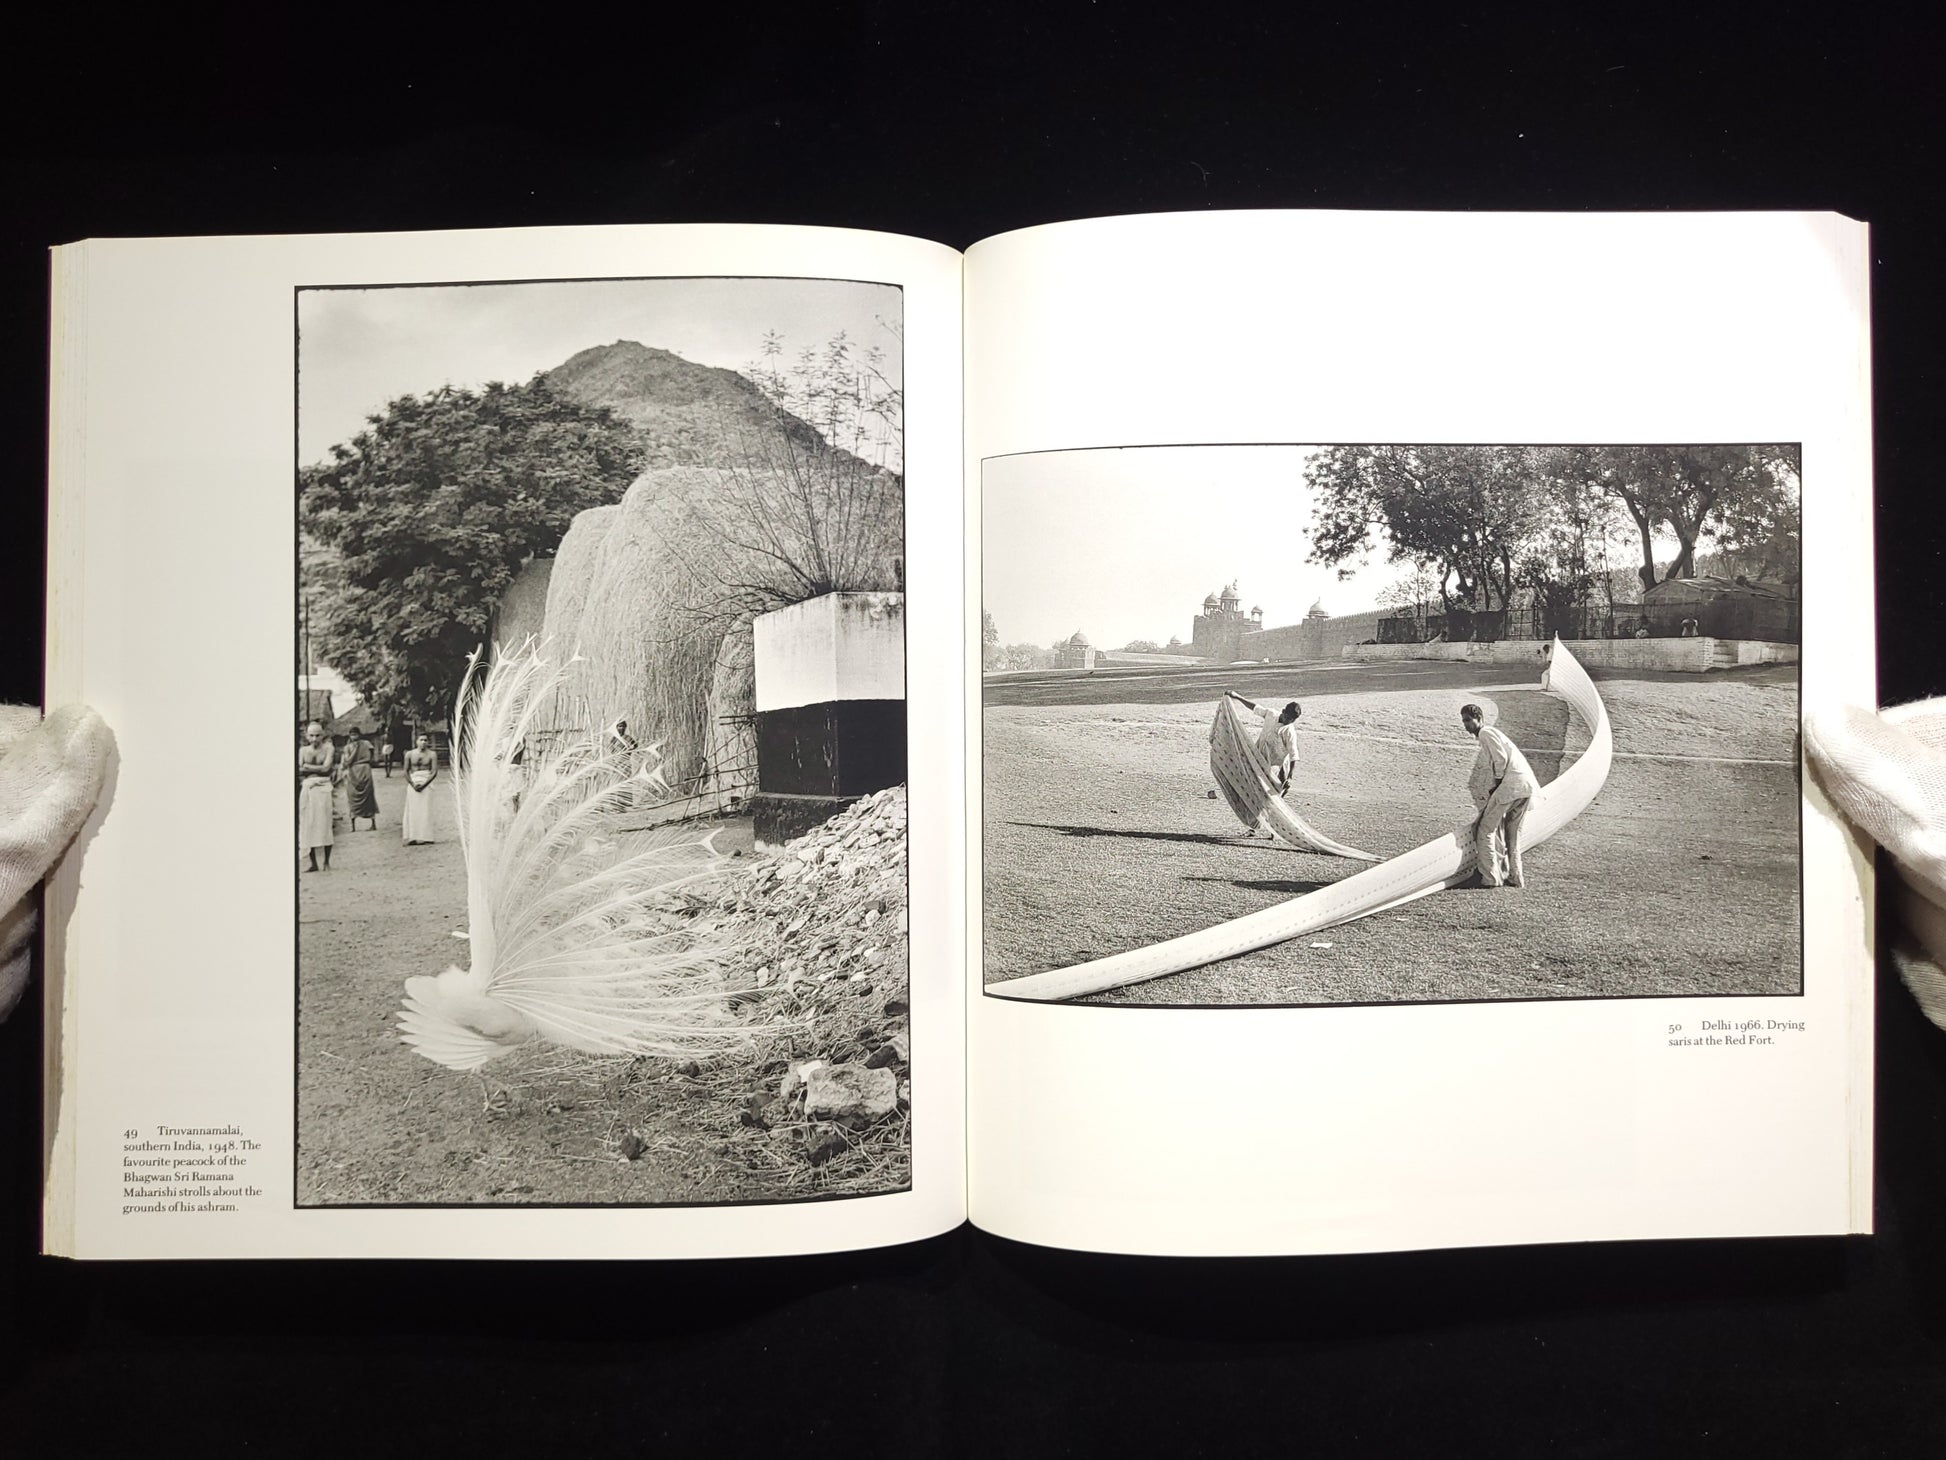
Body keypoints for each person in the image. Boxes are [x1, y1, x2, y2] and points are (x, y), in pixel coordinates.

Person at [1459, 702, 1539, 888]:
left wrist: (1496, 783)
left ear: (1479, 719)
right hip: (1525, 786)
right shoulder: (1490, 734)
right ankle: (1516, 876)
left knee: (1485, 829)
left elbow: (1500, 759)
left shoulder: (1486, 733)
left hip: (1511, 785)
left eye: (1469, 720)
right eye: (1464, 721)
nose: (1466, 725)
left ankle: (1490, 877)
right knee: (1513, 833)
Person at [1224, 690, 1302, 792]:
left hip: (1276, 764)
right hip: (1259, 754)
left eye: (1292, 720)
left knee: (1277, 789)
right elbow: (1256, 708)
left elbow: (1293, 753)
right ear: (1283, 711)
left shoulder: (1289, 731)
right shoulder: (1271, 714)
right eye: (1287, 718)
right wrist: (1237, 697)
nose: (1288, 722)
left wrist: (1290, 777)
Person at [298, 720, 335, 872]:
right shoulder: (302, 750)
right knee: (308, 824)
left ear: (323, 735)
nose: (314, 739)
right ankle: (313, 863)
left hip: (323, 787)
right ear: (307, 736)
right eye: (311, 735)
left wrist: (307, 767)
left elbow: (327, 768)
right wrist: (313, 769)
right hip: (308, 787)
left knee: (325, 822)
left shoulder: (328, 748)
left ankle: (326, 861)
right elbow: (299, 769)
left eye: (317, 735)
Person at [402, 732, 439, 845]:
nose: (423, 742)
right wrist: (413, 784)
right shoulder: (409, 754)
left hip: (426, 782)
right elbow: (405, 771)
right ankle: (412, 837)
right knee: (412, 810)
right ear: (416, 741)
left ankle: (426, 836)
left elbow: (434, 772)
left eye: (425, 740)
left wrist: (424, 785)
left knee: (425, 810)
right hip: (414, 781)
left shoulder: (432, 754)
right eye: (421, 740)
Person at [342, 728, 380, 830]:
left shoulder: (366, 743)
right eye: (352, 735)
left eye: (356, 734)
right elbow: (348, 761)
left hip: (365, 769)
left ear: (359, 735)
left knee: (368, 795)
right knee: (352, 795)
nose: (354, 736)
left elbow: (371, 753)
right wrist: (355, 749)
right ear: (349, 736)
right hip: (353, 771)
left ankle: (373, 823)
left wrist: (368, 759)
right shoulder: (347, 747)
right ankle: (353, 825)